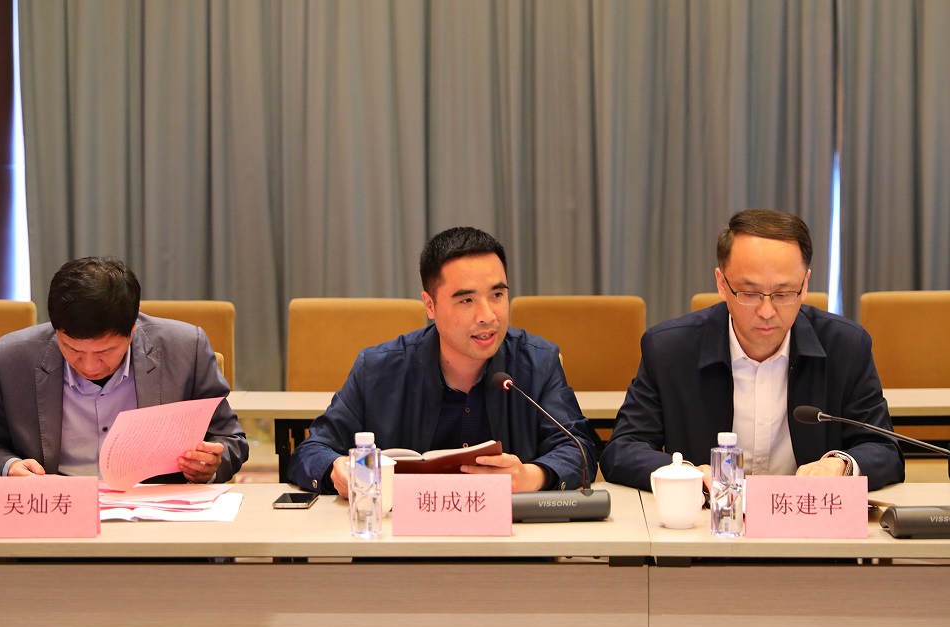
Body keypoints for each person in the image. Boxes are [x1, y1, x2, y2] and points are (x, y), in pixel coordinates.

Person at [601, 208, 903, 491]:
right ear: (722, 284)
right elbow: (622, 450)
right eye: (750, 293)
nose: (767, 311)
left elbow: (884, 450)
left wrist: (841, 465)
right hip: (707, 521)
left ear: (805, 285)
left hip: (808, 521)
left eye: (783, 293)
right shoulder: (670, 350)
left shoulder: (845, 347)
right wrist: (685, 473)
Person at [288, 226, 596, 496]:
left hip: (510, 538)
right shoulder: (379, 370)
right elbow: (311, 451)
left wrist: (533, 476)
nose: (488, 316)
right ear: (430, 305)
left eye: (497, 296)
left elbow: (580, 451)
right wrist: (336, 469)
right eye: (466, 300)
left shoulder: (538, 363)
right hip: (403, 539)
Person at [0, 256, 248, 483]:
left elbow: (230, 439)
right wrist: (10, 466)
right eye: (72, 349)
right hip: (57, 506)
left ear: (132, 329)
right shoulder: (10, 359)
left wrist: (210, 464)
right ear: (55, 330)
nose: (89, 366)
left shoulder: (185, 350)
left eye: (105, 352)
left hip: (153, 507)